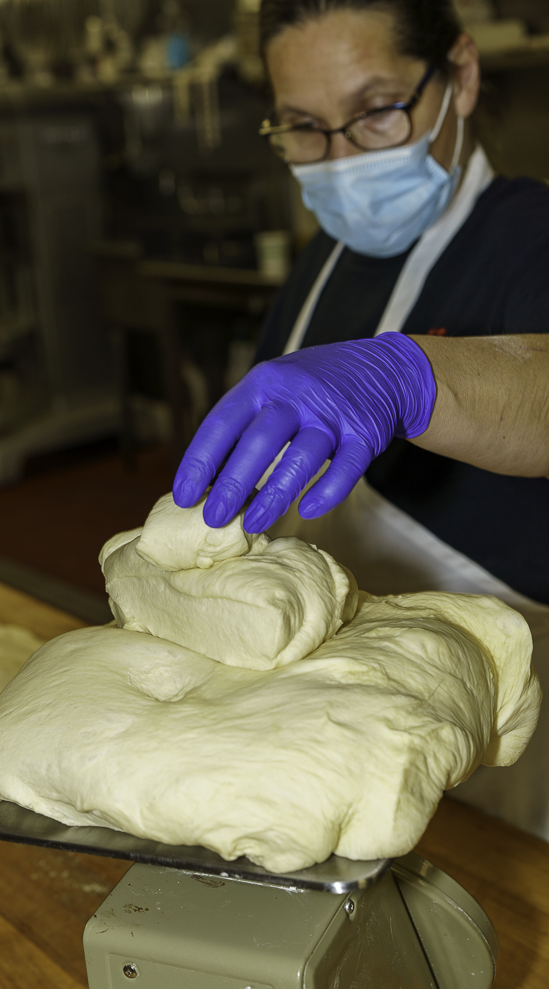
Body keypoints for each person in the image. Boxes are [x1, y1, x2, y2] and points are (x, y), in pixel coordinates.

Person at [172, 0, 549, 840]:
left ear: (459, 76)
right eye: (304, 128)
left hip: (506, 734)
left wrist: (407, 375)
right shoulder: (320, 262)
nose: (340, 161)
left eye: (375, 111)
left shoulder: (530, 236)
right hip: (328, 716)